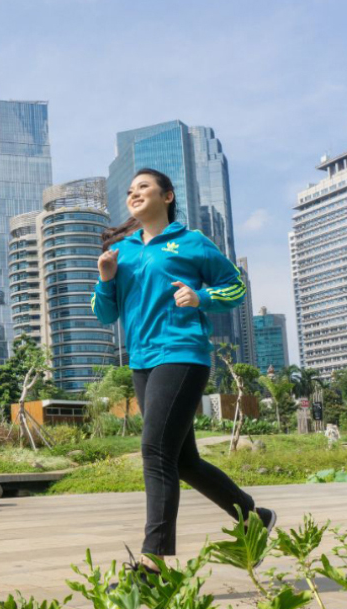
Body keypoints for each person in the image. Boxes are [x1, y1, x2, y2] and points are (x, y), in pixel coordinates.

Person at [92, 168, 276, 575]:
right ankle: (252, 516)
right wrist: (106, 280)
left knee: (155, 450)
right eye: (130, 190)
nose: (134, 194)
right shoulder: (123, 252)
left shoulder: (192, 243)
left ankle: (152, 561)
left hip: (183, 354)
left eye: (143, 187)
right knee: (183, 460)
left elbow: (235, 287)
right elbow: (105, 313)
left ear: (167, 196)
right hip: (142, 362)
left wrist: (201, 296)